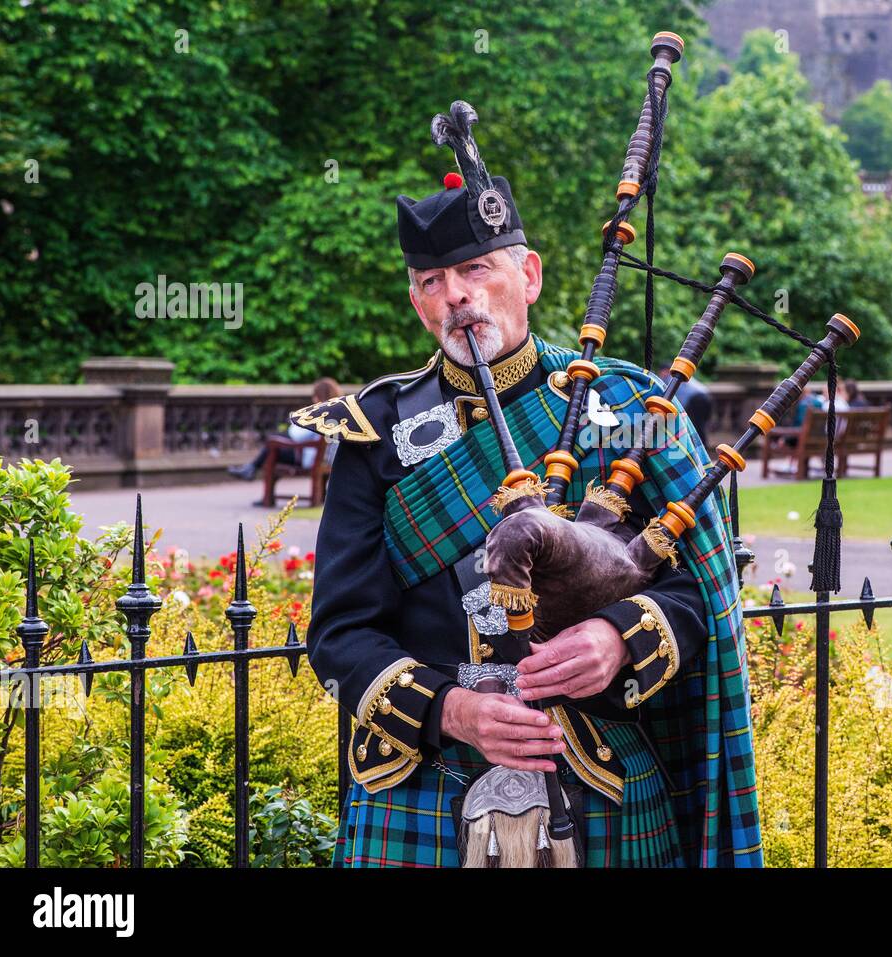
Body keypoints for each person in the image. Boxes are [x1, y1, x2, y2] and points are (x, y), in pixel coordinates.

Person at [290, 103, 761, 868]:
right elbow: (341, 634)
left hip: (603, 776)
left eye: (477, 269)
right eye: (432, 280)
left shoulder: (631, 407)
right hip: (422, 792)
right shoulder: (373, 434)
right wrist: (453, 708)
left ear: (528, 275)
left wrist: (619, 637)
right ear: (417, 300)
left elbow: (695, 591)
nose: (457, 296)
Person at [228, 377, 342, 480]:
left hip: (310, 460)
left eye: (315, 395)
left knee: (273, 446)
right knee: (274, 442)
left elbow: (296, 435)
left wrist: (295, 422)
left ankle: (253, 472)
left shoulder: (319, 414)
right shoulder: (339, 414)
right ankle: (251, 468)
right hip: (327, 460)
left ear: (319, 396)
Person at [658, 364, 713, 449]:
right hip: (706, 396)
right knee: (699, 425)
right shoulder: (681, 374)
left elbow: (675, 398)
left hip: (697, 399)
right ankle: (702, 447)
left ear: (666, 370)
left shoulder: (672, 379)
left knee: (696, 425)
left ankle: (701, 448)